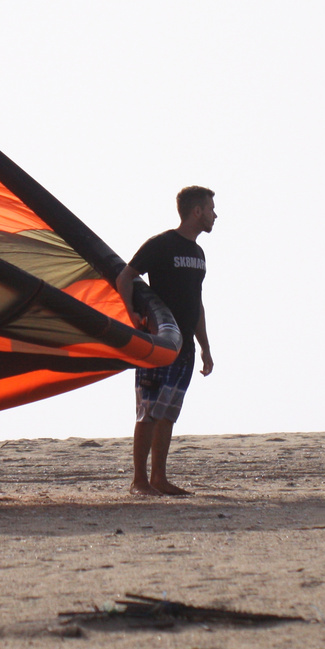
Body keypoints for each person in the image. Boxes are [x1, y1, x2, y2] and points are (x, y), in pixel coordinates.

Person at [116, 186, 216, 496]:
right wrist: (132, 314)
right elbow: (125, 277)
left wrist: (205, 347)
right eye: (211, 209)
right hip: (159, 345)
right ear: (196, 211)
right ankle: (139, 481)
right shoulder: (162, 245)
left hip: (184, 346)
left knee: (168, 412)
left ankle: (159, 478)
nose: (215, 215)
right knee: (149, 412)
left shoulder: (198, 254)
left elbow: (196, 303)